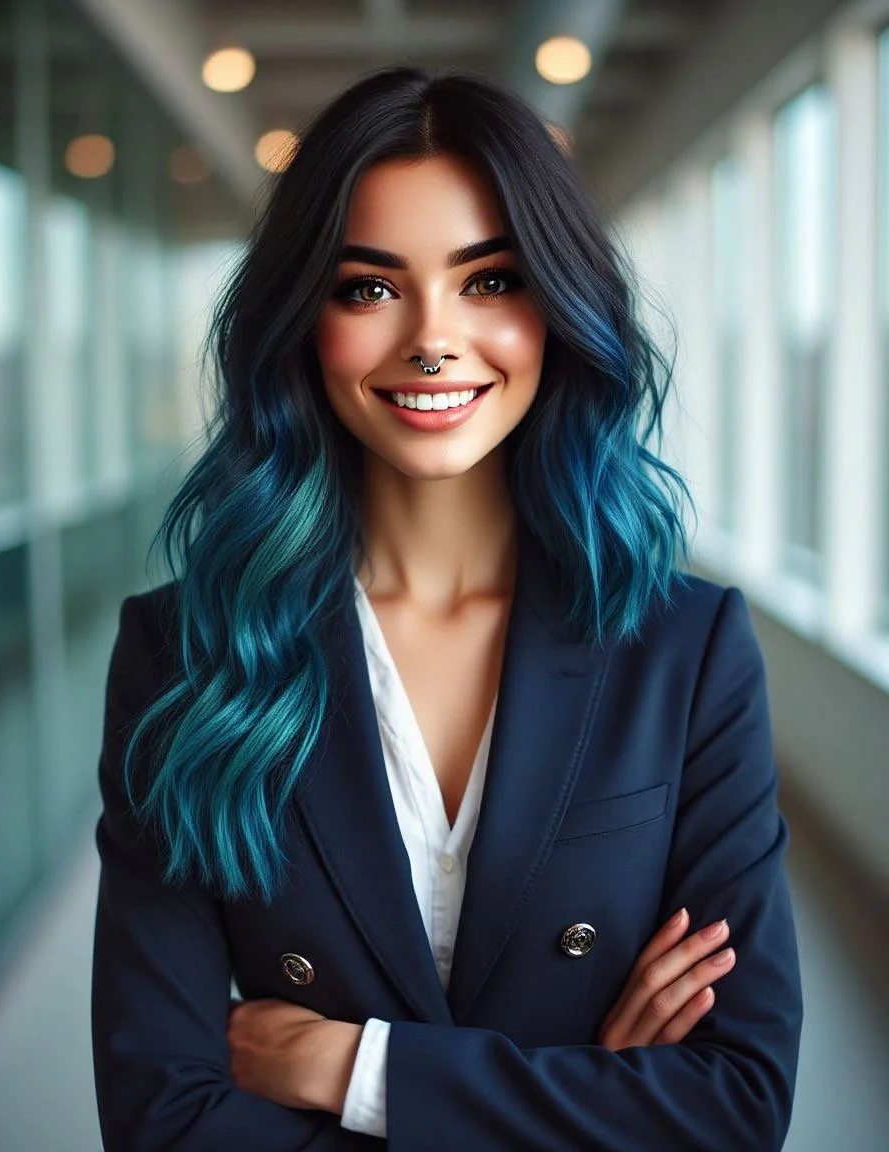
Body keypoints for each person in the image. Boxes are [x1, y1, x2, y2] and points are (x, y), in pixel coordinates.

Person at [91, 66, 803, 1151]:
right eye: (368, 289)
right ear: (303, 319)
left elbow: (735, 1104)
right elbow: (163, 1120)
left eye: (490, 280)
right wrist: (587, 1100)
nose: (431, 339)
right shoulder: (186, 654)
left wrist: (356, 1069)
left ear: (558, 307)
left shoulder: (683, 646)